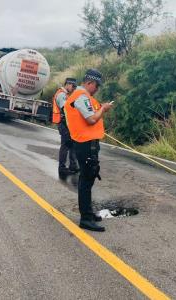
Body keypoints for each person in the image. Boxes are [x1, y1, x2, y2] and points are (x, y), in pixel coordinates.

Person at [64, 69, 113, 232]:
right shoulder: (81, 97)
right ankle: (85, 218)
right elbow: (91, 119)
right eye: (97, 86)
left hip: (88, 143)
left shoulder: (84, 97)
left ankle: (89, 213)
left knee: (90, 177)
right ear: (89, 83)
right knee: (86, 179)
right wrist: (104, 109)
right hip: (84, 144)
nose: (97, 89)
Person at [52, 78, 79, 177]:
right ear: (67, 84)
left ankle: (73, 166)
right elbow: (66, 109)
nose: (74, 88)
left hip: (67, 123)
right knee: (65, 145)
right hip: (62, 123)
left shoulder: (66, 95)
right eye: (73, 86)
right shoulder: (61, 95)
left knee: (72, 144)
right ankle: (62, 168)